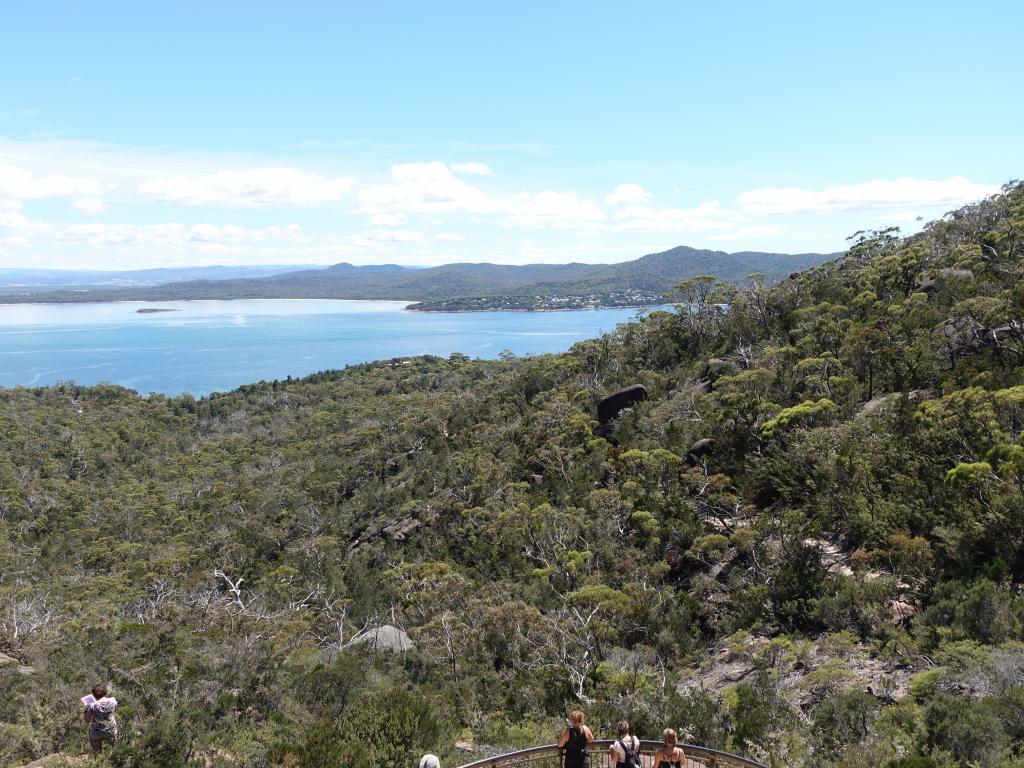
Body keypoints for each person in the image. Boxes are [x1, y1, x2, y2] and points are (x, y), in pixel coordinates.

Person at [83, 683, 118, 754]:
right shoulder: (112, 701)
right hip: (110, 730)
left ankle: (97, 764)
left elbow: (87, 721)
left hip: (96, 732)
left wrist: (86, 708)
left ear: (93, 693)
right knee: (111, 751)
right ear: (105, 691)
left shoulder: (92, 705)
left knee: (96, 753)